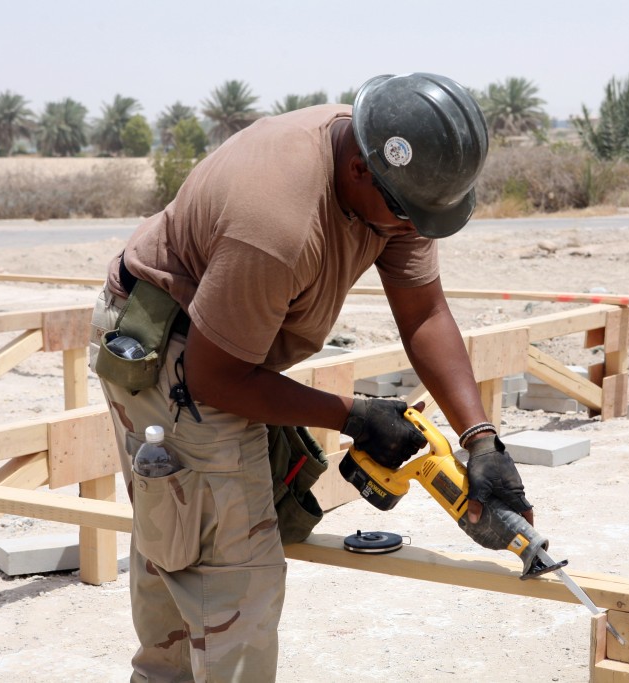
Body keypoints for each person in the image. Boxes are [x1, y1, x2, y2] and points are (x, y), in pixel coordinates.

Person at [89, 72, 535, 682]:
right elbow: (217, 379)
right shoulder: (277, 222)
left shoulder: (396, 182)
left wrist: (481, 439)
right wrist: (351, 415)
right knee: (232, 572)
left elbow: (424, 311)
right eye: (407, 215)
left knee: (182, 528)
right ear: (358, 170)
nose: (411, 229)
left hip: (227, 343)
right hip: (173, 351)